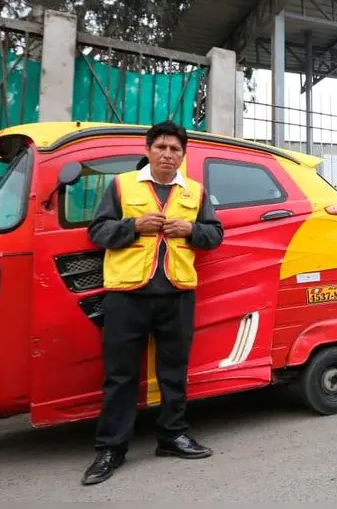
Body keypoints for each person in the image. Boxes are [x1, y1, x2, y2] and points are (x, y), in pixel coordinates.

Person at [82, 121, 224, 486]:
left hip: (177, 294)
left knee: (174, 372)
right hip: (127, 295)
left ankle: (172, 436)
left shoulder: (195, 191)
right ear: (147, 150)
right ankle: (111, 448)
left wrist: (191, 230)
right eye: (160, 147)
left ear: (183, 155)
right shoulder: (121, 185)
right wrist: (134, 226)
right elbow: (97, 231)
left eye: (175, 149)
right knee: (120, 375)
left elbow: (215, 234)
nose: (167, 154)